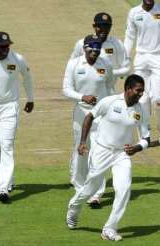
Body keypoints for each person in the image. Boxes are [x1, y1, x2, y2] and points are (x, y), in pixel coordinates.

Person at [66, 74, 149, 241]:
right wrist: (83, 142)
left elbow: (146, 138)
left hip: (122, 155)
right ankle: (74, 206)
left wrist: (137, 147)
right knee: (90, 189)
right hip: (102, 151)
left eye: (142, 91)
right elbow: (90, 116)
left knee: (124, 189)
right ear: (127, 89)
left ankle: (110, 228)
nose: (141, 94)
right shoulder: (110, 102)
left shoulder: (141, 110)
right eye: (138, 91)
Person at [0, 31, 34, 202]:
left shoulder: (17, 59)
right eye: (2, 47)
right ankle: (8, 180)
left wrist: (30, 98)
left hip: (10, 107)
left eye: (8, 46)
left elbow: (27, 77)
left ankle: (3, 189)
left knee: (7, 146)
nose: (6, 50)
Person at [63, 35, 114, 207]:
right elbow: (66, 90)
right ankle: (79, 186)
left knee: (99, 152)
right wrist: (83, 97)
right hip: (81, 112)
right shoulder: (74, 64)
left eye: (98, 49)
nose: (94, 53)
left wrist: (110, 108)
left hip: (101, 114)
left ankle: (96, 194)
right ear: (84, 48)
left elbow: (110, 88)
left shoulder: (105, 64)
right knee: (82, 148)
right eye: (91, 49)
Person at [124, 0, 160, 145]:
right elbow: (129, 37)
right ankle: (144, 134)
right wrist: (126, 58)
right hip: (141, 59)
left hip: (159, 58)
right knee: (141, 99)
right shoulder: (134, 13)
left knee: (158, 99)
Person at [70, 12, 130, 89]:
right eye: (100, 26)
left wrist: (108, 72)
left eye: (107, 26)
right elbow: (72, 66)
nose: (104, 30)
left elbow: (126, 69)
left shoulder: (117, 44)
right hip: (84, 91)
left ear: (111, 27)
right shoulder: (81, 43)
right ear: (94, 26)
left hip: (108, 91)